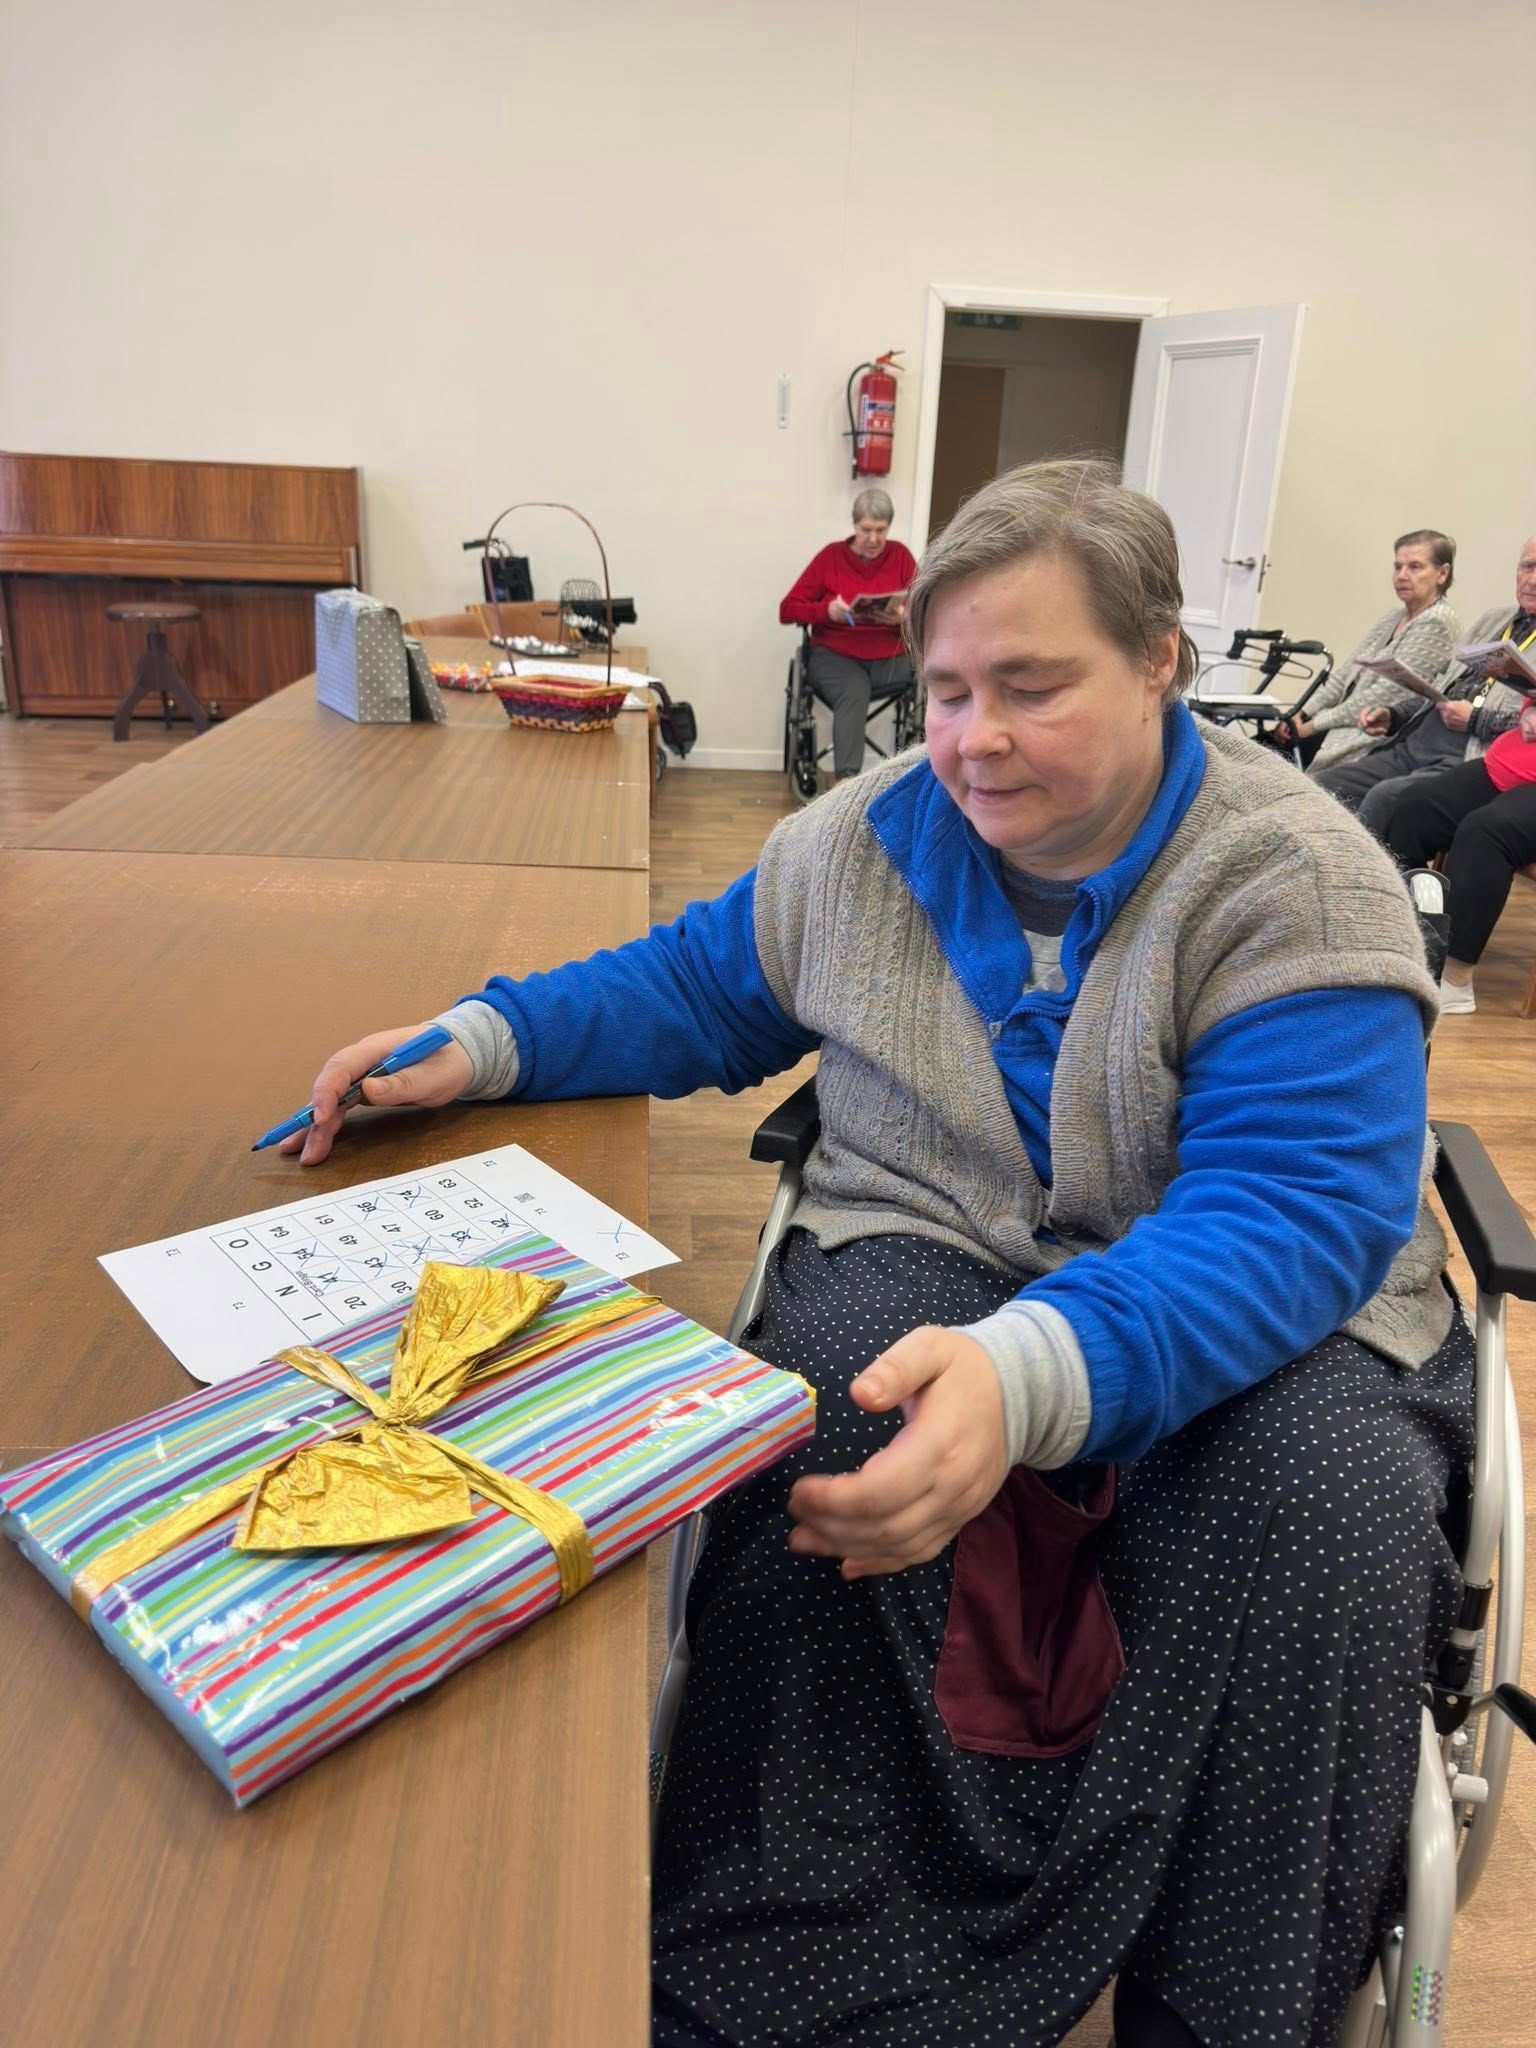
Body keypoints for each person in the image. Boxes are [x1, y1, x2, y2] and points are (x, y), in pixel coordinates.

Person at [283, 461, 1471, 2048]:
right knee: (818, 1420)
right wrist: (486, 1041)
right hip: (939, 1234)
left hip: (1262, 1302)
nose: (974, 739)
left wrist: (1030, 1371)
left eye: (1032, 687)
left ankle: (1223, 2003)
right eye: (950, 691)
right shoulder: (862, 844)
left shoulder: (1298, 880)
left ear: (1158, 660)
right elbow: (696, 989)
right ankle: (810, 1973)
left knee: (1328, 1509)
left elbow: (1288, 1215)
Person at [1312, 535, 1536, 835]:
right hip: (1416, 741)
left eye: (1415, 567)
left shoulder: (1437, 622)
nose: (1532, 580)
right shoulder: (1494, 619)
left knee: (1385, 799)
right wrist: (1395, 714)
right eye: (1527, 567)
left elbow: (1528, 729)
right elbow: (1441, 688)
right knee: (1322, 784)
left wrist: (1475, 719)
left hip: (1467, 757)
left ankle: (1358, 866)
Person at [1384, 693, 1536, 1014]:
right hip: (1511, 766)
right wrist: (1529, 711)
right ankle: (1411, 936)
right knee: (1414, 807)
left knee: (1486, 831)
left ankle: (1453, 978)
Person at [1273, 529, 1458, 771]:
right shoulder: (1394, 616)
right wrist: (1302, 712)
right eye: (1397, 567)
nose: (1402, 576)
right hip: (1336, 723)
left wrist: (1312, 725)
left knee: (1267, 765)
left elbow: (1385, 695)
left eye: (1414, 567)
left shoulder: (1437, 623)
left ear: (1442, 573)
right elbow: (1345, 674)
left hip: (1368, 734)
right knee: (1258, 750)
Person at [779, 486, 919, 780]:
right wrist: (827, 611)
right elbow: (787, 609)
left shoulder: (900, 556)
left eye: (881, 530)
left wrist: (902, 618)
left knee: (929, 673)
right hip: (835, 655)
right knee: (853, 688)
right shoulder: (831, 557)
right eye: (866, 529)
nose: (873, 539)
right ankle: (848, 783)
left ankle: (912, 776)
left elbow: (927, 610)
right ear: (854, 525)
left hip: (888, 657)